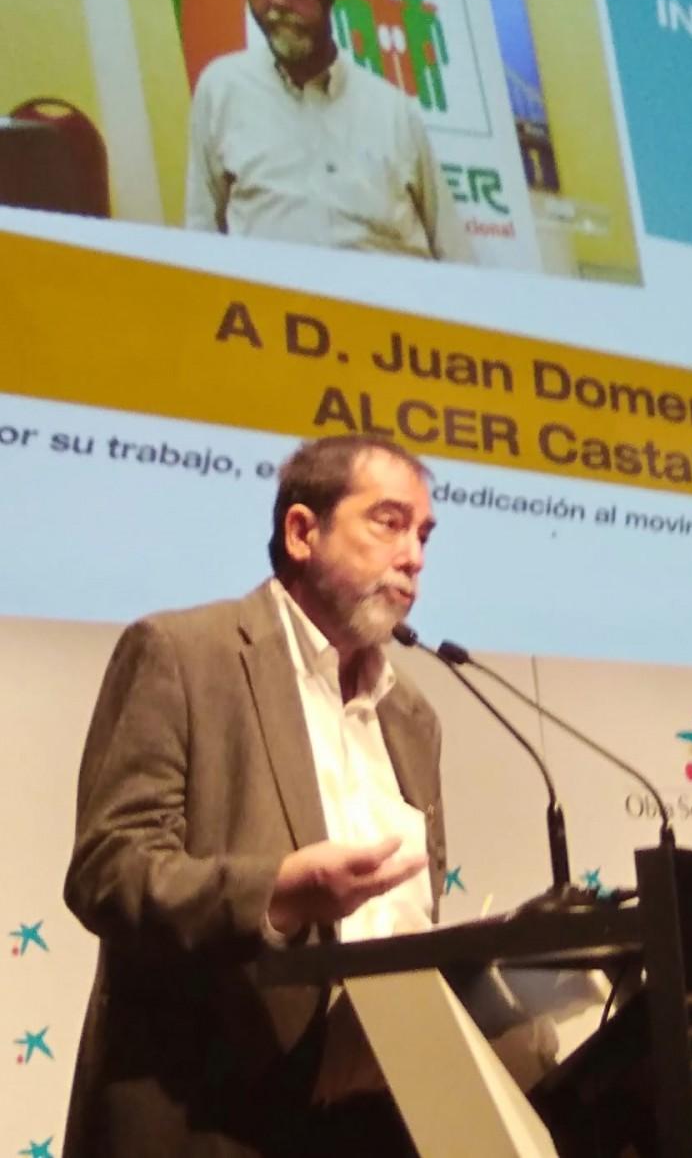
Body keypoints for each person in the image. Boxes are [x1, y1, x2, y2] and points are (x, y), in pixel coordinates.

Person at [63, 434, 447, 1157]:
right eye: (389, 522)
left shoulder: (411, 716)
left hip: (374, 1121)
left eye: (423, 534)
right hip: (209, 1118)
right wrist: (277, 892)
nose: (414, 555)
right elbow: (108, 870)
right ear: (303, 531)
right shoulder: (183, 653)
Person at [185, 0, 472, 264]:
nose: (277, 1)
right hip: (274, 296)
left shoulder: (393, 111)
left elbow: (454, 252)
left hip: (391, 295)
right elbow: (201, 238)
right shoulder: (222, 89)